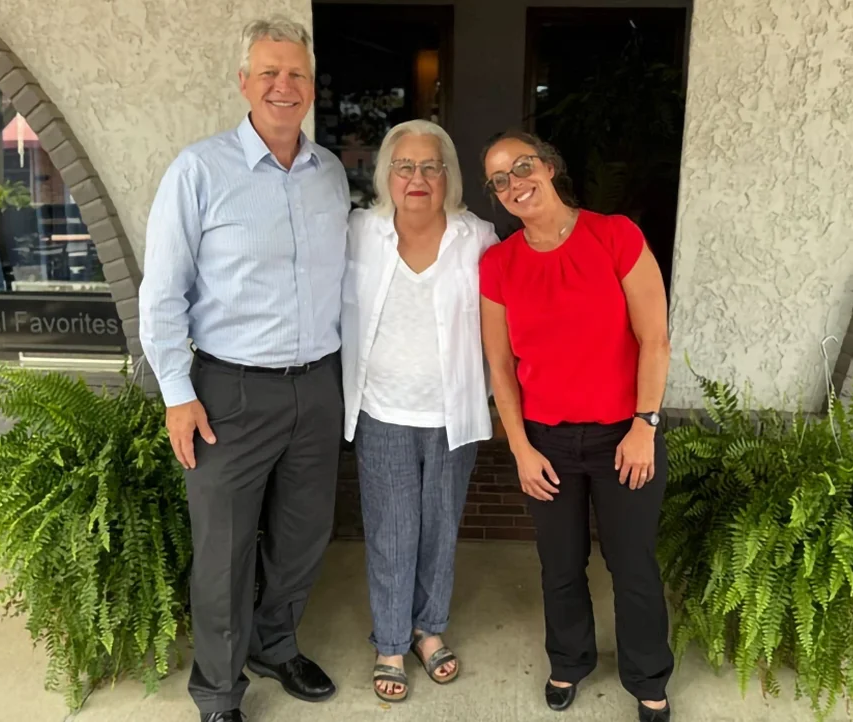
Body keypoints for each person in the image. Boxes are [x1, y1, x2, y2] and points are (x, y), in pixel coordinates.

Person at [138, 17, 349, 722]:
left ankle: (274, 643)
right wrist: (175, 393)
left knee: (303, 534)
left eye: (296, 74)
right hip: (227, 391)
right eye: (269, 73)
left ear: (311, 88)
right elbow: (162, 291)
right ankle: (219, 692)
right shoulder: (199, 169)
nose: (283, 86)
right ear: (244, 82)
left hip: (317, 385)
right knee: (224, 553)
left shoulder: (330, 174)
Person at [478, 130, 674, 721]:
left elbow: (654, 339)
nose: (514, 184)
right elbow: (501, 367)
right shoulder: (499, 264)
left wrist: (645, 424)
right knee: (559, 563)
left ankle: (647, 675)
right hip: (547, 441)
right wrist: (519, 448)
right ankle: (569, 660)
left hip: (625, 436)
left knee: (632, 562)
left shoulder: (615, 236)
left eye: (522, 166)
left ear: (550, 166)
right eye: (499, 180)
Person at [341, 120, 498, 702]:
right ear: (386, 174)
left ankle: (428, 630)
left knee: (439, 525)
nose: (417, 178)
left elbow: (502, 325)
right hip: (383, 409)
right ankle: (389, 641)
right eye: (404, 166)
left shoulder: (477, 238)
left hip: (454, 411)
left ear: (448, 177)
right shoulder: (361, 231)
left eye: (430, 166)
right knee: (391, 529)